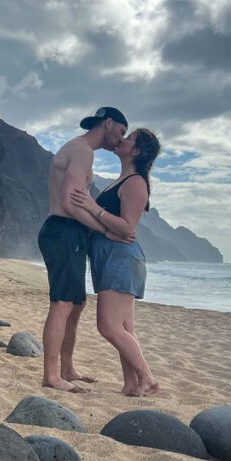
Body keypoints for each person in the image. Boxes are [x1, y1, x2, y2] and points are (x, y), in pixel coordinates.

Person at [38, 107, 136, 393]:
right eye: (120, 131)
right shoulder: (82, 151)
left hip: (70, 232)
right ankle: (51, 375)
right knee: (62, 303)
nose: (120, 139)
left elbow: (79, 201)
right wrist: (105, 230)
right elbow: (69, 203)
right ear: (108, 124)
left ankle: (67, 368)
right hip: (62, 230)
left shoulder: (80, 151)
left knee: (76, 304)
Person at [70, 128, 161, 396]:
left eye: (129, 138)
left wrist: (91, 206)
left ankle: (148, 378)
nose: (122, 139)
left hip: (120, 257)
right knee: (124, 328)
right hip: (111, 256)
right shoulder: (121, 180)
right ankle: (132, 385)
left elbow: (127, 227)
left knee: (108, 326)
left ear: (137, 151)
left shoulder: (135, 183)